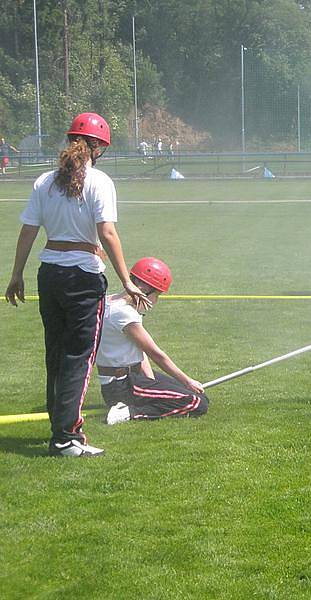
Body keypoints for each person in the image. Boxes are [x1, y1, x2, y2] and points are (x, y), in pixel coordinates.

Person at [5, 112, 149, 457]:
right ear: (97, 148)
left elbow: (28, 231)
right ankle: (67, 437)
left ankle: (59, 424)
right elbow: (107, 232)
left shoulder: (44, 181)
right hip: (83, 277)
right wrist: (127, 280)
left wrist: (16, 274)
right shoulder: (99, 181)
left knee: (55, 353)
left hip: (49, 273)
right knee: (78, 357)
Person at [96, 257, 209, 425]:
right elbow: (156, 354)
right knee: (196, 402)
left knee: (198, 396)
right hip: (123, 386)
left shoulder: (110, 301)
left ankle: (132, 405)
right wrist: (187, 380)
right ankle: (128, 412)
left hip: (130, 378)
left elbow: (139, 351)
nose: (156, 300)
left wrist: (151, 381)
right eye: (157, 294)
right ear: (145, 289)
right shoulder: (124, 314)